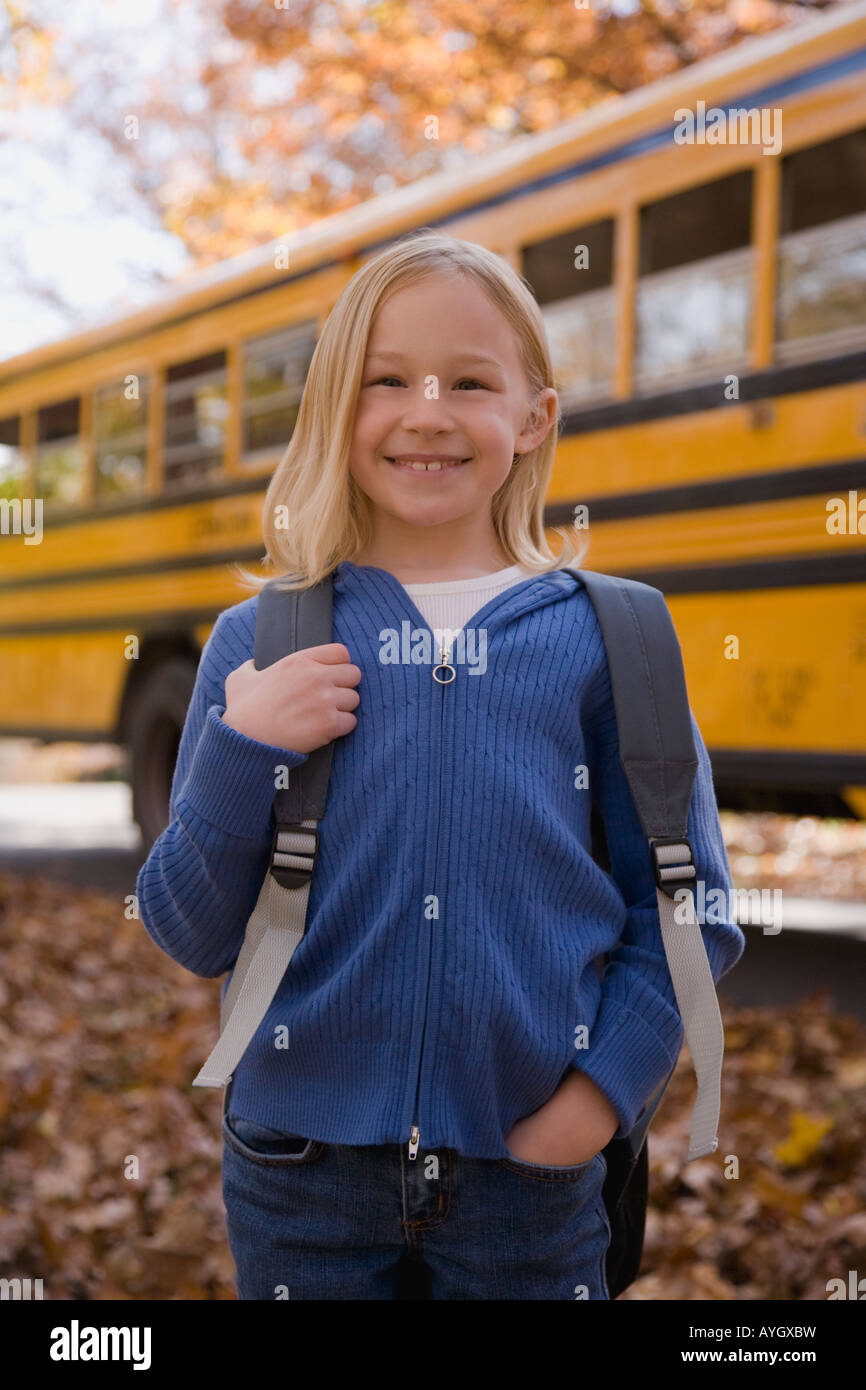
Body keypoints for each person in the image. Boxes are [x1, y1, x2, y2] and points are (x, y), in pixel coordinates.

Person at [136, 229, 745, 1300]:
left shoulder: (613, 642)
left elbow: (688, 917)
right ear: (335, 408)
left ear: (532, 417)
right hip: (298, 1173)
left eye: (468, 381)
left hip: (529, 1181)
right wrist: (248, 750)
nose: (426, 411)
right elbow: (186, 928)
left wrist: (591, 1109)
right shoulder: (260, 643)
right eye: (386, 381)